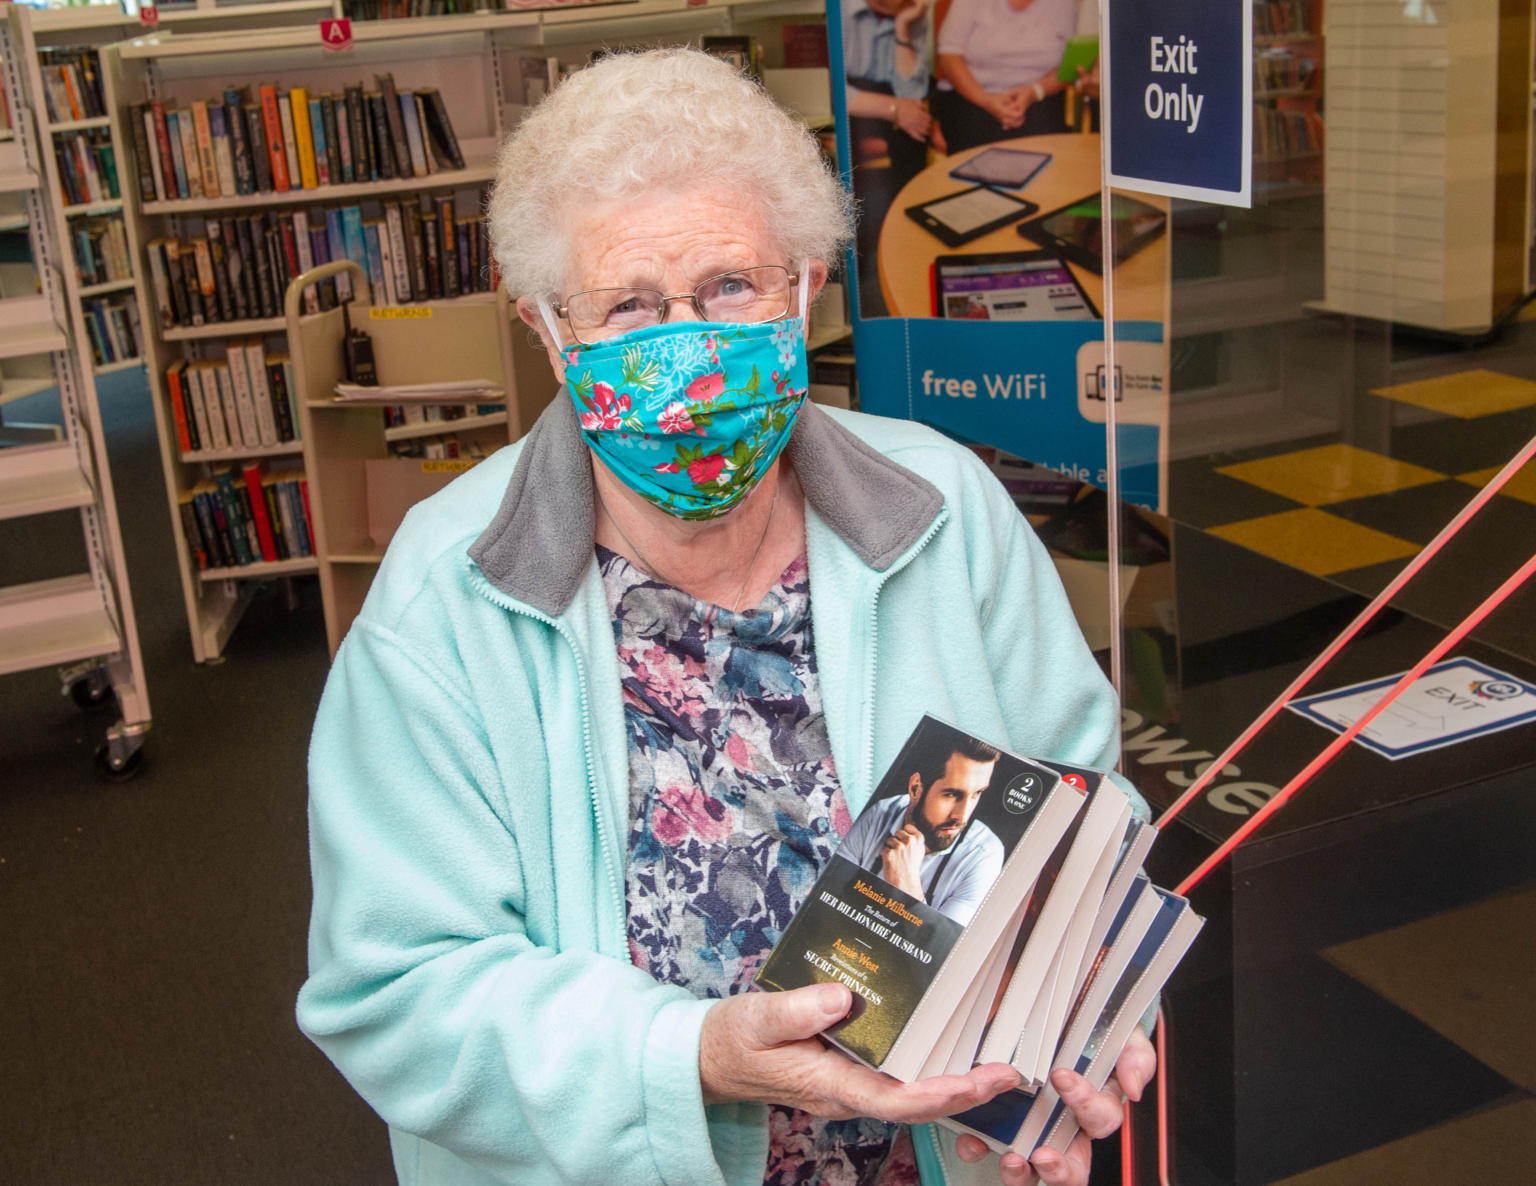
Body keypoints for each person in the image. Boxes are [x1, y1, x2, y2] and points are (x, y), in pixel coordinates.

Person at [298, 47, 1154, 1186]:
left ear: (805, 286)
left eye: (729, 289)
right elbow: (392, 992)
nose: (688, 348)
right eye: (630, 306)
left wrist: (1081, 997)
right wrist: (689, 1054)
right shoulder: (442, 601)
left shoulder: (946, 509)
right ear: (548, 327)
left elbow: (1083, 804)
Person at [840, 734, 1005, 925]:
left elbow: (940, 950)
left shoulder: (984, 855)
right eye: (952, 794)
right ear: (916, 788)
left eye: (977, 793)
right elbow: (822, 900)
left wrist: (907, 885)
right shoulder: (878, 815)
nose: (962, 816)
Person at [933, 0, 1077, 153]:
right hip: (974, 96)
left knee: (1044, 161)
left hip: (1039, 97)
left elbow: (1071, 62)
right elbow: (948, 55)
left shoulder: (1064, 3)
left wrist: (1035, 91)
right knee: (976, 160)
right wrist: (984, 99)